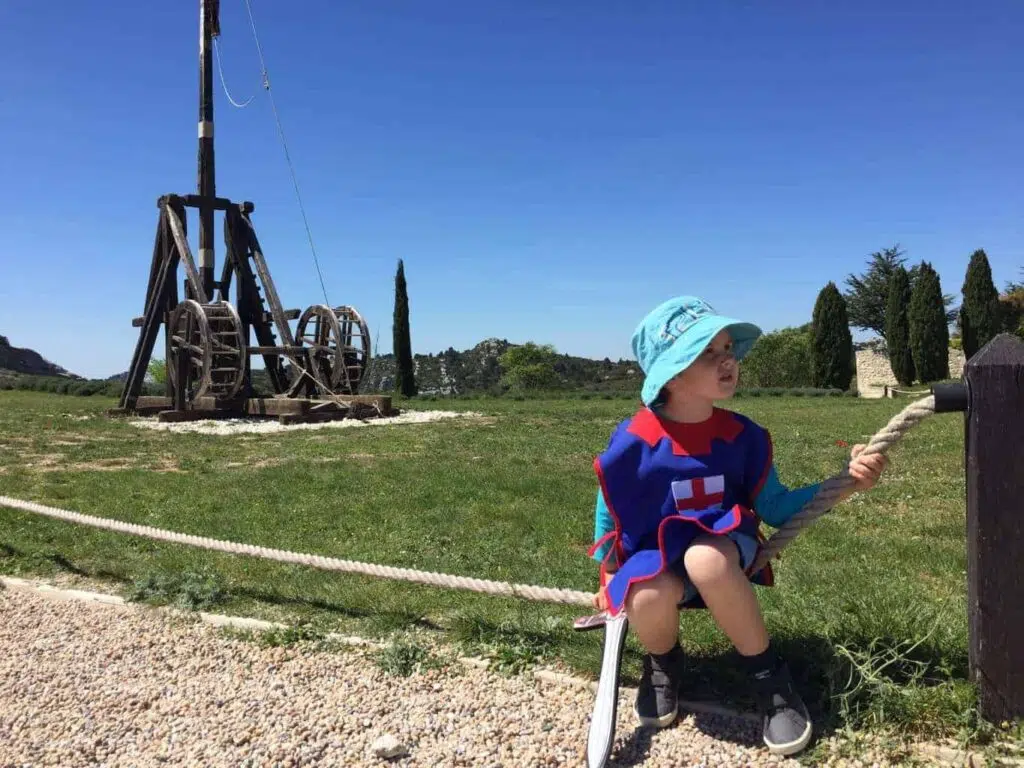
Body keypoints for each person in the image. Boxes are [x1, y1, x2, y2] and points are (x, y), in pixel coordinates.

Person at [588, 295, 887, 756]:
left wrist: (843, 485)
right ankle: (663, 664)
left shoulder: (742, 438)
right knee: (645, 592)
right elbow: (612, 507)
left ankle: (771, 680)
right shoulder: (634, 441)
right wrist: (609, 571)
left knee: (705, 559)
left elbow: (778, 508)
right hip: (660, 554)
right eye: (708, 352)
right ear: (671, 371)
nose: (728, 360)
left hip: (723, 549)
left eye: (728, 348)